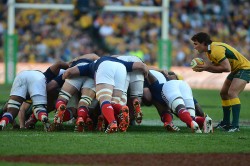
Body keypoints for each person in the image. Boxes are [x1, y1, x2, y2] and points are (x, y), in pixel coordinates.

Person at [62, 56, 148, 133]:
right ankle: (122, 108)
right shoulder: (119, 61)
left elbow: (69, 72)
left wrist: (63, 77)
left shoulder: (89, 66)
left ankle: (112, 123)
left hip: (105, 67)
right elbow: (141, 66)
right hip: (122, 68)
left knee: (104, 99)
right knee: (114, 102)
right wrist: (146, 74)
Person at [191, 32, 250, 132]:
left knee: (232, 93)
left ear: (204, 43)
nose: (195, 47)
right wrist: (204, 69)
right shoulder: (209, 52)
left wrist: (207, 67)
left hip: (245, 68)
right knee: (223, 93)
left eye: (196, 44)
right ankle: (226, 123)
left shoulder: (215, 50)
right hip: (236, 69)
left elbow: (226, 68)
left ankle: (235, 126)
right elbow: (219, 69)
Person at [145, 70, 213, 133]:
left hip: (169, 87)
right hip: (184, 85)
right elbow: (197, 107)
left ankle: (192, 125)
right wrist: (202, 115)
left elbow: (163, 111)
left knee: (180, 109)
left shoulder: (156, 88)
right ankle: (204, 120)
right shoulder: (168, 80)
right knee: (190, 116)